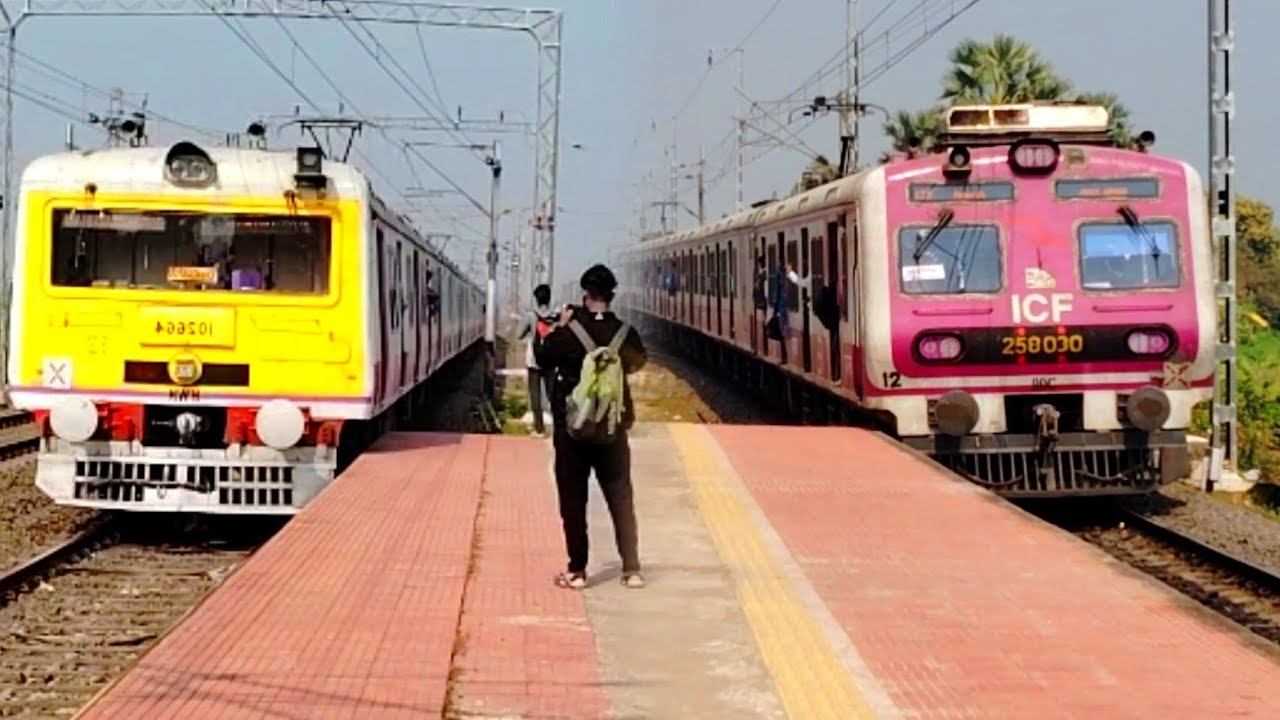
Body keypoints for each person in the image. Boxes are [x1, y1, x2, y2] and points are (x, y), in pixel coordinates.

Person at [535, 263, 648, 590]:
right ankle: (632, 569)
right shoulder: (625, 333)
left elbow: (542, 357)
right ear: (612, 295)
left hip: (572, 429)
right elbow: (638, 360)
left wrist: (561, 327)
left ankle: (577, 570)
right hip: (612, 429)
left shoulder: (570, 332)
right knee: (620, 496)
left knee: (573, 498)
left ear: (585, 295)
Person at [516, 283, 556, 436]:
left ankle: (539, 429)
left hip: (534, 360)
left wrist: (528, 330)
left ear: (536, 299)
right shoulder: (555, 316)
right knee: (553, 395)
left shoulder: (530, 316)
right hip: (552, 361)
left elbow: (519, 334)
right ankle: (560, 425)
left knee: (535, 396)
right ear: (549, 298)